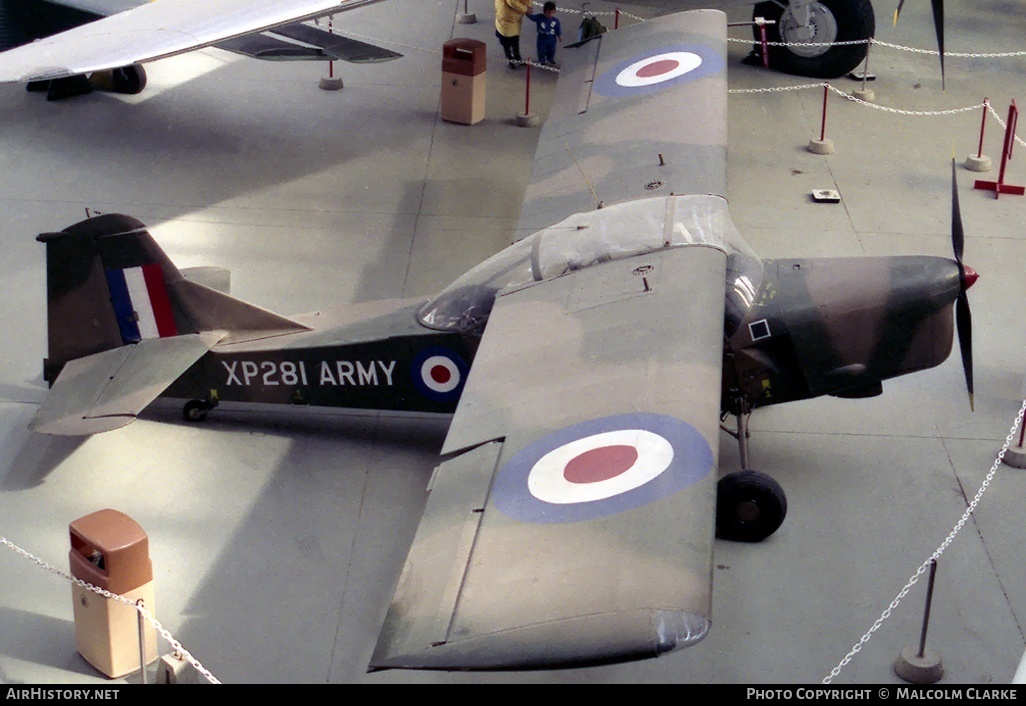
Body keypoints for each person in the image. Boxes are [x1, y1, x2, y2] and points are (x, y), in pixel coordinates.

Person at [495, 0, 532, 69]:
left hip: (514, 16)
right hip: (507, 16)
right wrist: (525, 9)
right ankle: (510, 59)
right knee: (506, 42)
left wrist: (527, 6)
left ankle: (517, 57)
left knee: (515, 40)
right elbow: (511, 1)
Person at [526, 2, 562, 67]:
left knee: (552, 50)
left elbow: (557, 28)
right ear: (544, 11)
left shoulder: (556, 21)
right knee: (541, 50)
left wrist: (559, 36)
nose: (550, 15)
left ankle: (550, 59)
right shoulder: (539, 17)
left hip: (552, 39)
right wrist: (527, 13)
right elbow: (532, 17)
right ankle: (542, 60)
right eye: (549, 12)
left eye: (552, 13)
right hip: (542, 38)